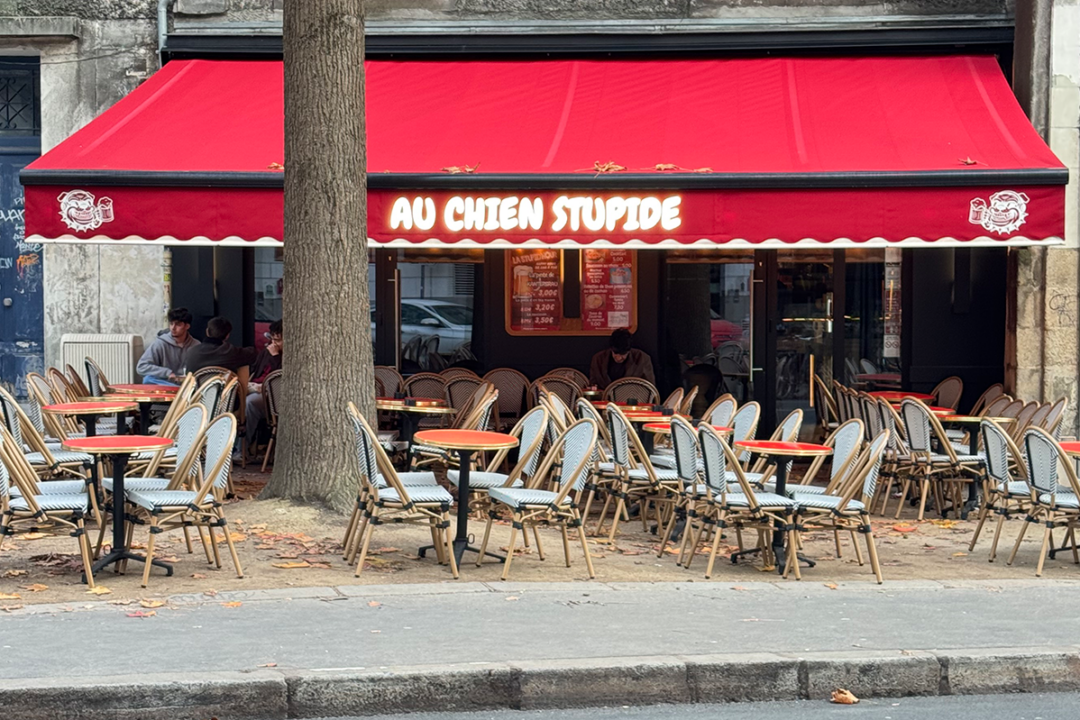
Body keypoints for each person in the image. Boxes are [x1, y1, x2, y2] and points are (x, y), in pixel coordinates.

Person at [137, 307, 201, 386]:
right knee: (148, 379)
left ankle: (179, 391)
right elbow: (141, 367)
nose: (173, 328)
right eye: (171, 324)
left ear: (187, 326)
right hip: (165, 384)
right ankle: (177, 390)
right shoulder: (160, 343)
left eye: (178, 324)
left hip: (187, 385)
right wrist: (167, 373)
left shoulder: (196, 345)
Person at [245, 320, 282, 450]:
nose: (274, 344)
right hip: (257, 386)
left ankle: (242, 447)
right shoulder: (266, 352)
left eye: (278, 340)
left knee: (251, 402)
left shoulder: (281, 355)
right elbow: (254, 370)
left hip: (272, 395)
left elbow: (280, 377)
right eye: (272, 339)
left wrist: (276, 357)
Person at [588, 328, 655, 390]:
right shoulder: (598, 359)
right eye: (615, 353)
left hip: (633, 400)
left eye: (623, 354)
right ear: (611, 348)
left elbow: (649, 388)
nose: (618, 358)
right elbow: (593, 385)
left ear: (629, 351)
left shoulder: (642, 359)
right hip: (605, 400)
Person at [184, 316, 257, 373]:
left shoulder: (192, 352)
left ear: (207, 331)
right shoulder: (230, 352)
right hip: (224, 391)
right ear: (227, 335)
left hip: (198, 390)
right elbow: (253, 353)